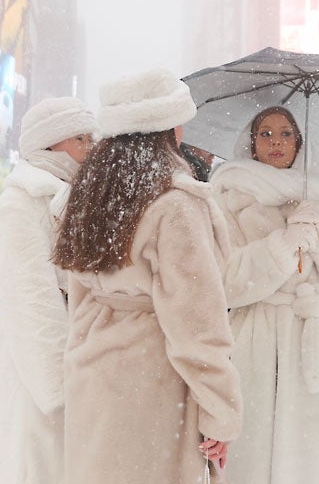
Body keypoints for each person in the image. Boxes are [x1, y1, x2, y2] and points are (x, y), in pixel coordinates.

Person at [53, 68, 241, 484]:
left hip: (94, 375)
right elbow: (197, 321)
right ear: (167, 126)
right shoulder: (175, 203)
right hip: (153, 382)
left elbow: (79, 295)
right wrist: (219, 411)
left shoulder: (90, 196)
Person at [210, 105, 319, 484]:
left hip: (315, 345)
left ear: (299, 143)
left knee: (316, 462)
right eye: (266, 133)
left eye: (286, 133)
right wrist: (283, 244)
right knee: (253, 457)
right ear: (252, 143)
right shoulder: (227, 198)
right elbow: (224, 282)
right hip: (254, 344)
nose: (276, 142)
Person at [0, 96, 97, 484]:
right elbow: (29, 301)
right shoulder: (20, 205)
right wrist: (59, 390)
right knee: (37, 462)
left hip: (74, 351)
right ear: (50, 143)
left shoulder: (72, 199)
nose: (90, 147)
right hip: (37, 362)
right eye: (80, 138)